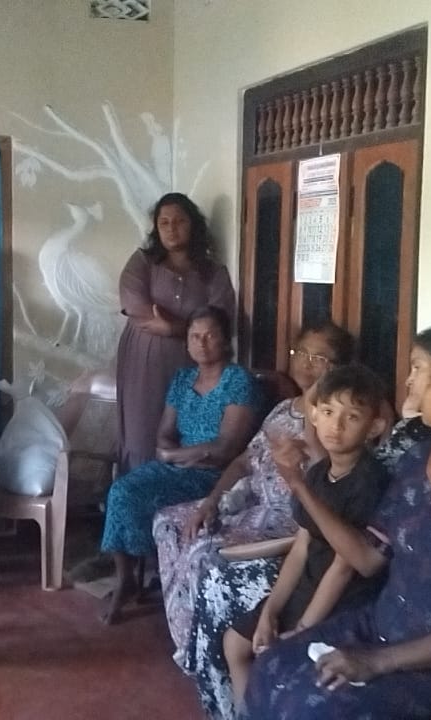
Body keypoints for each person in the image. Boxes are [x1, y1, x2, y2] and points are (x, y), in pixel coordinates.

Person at [244, 325, 431, 719]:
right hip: (385, 626)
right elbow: (368, 558)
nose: (409, 381)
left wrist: (378, 661)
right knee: (272, 666)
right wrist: (300, 485)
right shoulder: (419, 459)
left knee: (310, 706)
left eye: (426, 374)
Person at [152, 322, 353, 666]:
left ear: (338, 367)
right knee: (169, 522)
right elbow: (244, 461)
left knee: (204, 551)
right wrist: (212, 500)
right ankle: (186, 636)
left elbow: (330, 481)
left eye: (319, 358)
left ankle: (208, 657)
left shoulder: (335, 420)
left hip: (287, 521)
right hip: (248, 503)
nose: (307, 363)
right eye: (301, 353)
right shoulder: (282, 409)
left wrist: (308, 437)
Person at [223, 365, 391, 710]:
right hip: (308, 585)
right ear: (313, 415)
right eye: (327, 412)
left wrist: (303, 629)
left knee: (277, 662)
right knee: (235, 644)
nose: (336, 426)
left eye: (351, 417)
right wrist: (271, 610)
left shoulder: (369, 481)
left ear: (374, 426)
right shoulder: (318, 474)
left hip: (343, 600)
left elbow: (343, 569)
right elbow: (301, 548)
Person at [100, 306, 259, 625]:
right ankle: (126, 577)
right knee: (120, 490)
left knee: (135, 496)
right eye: (194, 336)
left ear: (225, 340)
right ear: (186, 342)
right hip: (176, 467)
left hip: (212, 476)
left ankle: (160, 574)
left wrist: (174, 456)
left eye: (210, 335)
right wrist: (177, 454)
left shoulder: (238, 380)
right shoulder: (183, 379)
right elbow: (164, 434)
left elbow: (225, 448)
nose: (202, 343)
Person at [116, 193, 235, 474]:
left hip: (193, 361)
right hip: (144, 363)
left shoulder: (213, 271)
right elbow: (135, 305)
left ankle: (180, 489)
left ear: (193, 224)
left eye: (180, 221)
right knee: (142, 426)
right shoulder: (143, 262)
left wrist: (173, 328)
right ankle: (137, 487)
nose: (172, 229)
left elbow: (221, 318)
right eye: (164, 222)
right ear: (156, 228)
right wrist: (191, 325)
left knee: (185, 426)